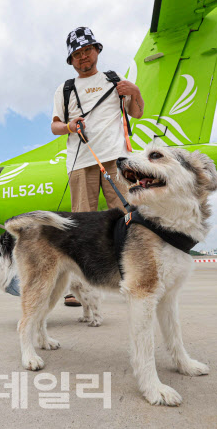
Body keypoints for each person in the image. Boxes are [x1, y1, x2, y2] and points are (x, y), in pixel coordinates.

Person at [51, 26, 144, 305]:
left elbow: (136, 112)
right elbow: (55, 125)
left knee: (127, 217)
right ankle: (78, 287)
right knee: (80, 223)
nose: (83, 57)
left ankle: (133, 275)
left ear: (97, 51)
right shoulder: (65, 89)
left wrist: (135, 92)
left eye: (87, 51)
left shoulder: (115, 80)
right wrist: (69, 125)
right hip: (80, 161)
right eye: (77, 54)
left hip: (115, 158)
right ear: (71, 60)